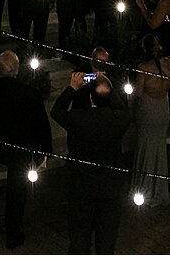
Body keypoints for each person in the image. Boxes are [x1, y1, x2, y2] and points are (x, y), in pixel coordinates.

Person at [0, 50, 52, 250]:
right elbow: (42, 125)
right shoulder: (30, 94)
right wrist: (45, 151)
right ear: (17, 70)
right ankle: (12, 235)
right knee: (16, 193)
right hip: (19, 150)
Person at [51, 69, 133, 253]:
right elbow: (123, 109)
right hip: (110, 188)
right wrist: (107, 85)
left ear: (89, 98)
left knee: (80, 237)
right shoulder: (118, 119)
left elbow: (56, 111)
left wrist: (72, 88)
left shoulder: (78, 118)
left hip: (82, 187)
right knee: (107, 239)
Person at [130, 32, 170, 206]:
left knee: (145, 148)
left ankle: (144, 188)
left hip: (148, 110)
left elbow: (139, 93)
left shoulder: (143, 67)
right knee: (158, 149)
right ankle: (159, 189)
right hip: (163, 107)